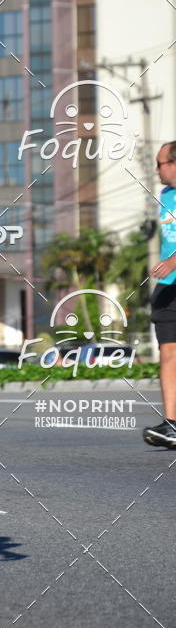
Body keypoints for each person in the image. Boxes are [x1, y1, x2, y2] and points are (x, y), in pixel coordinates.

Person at [144, 141, 176, 448]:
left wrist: (173, 262)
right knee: (169, 352)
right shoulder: (165, 196)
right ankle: (172, 424)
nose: (157, 169)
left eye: (161, 163)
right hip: (169, 288)